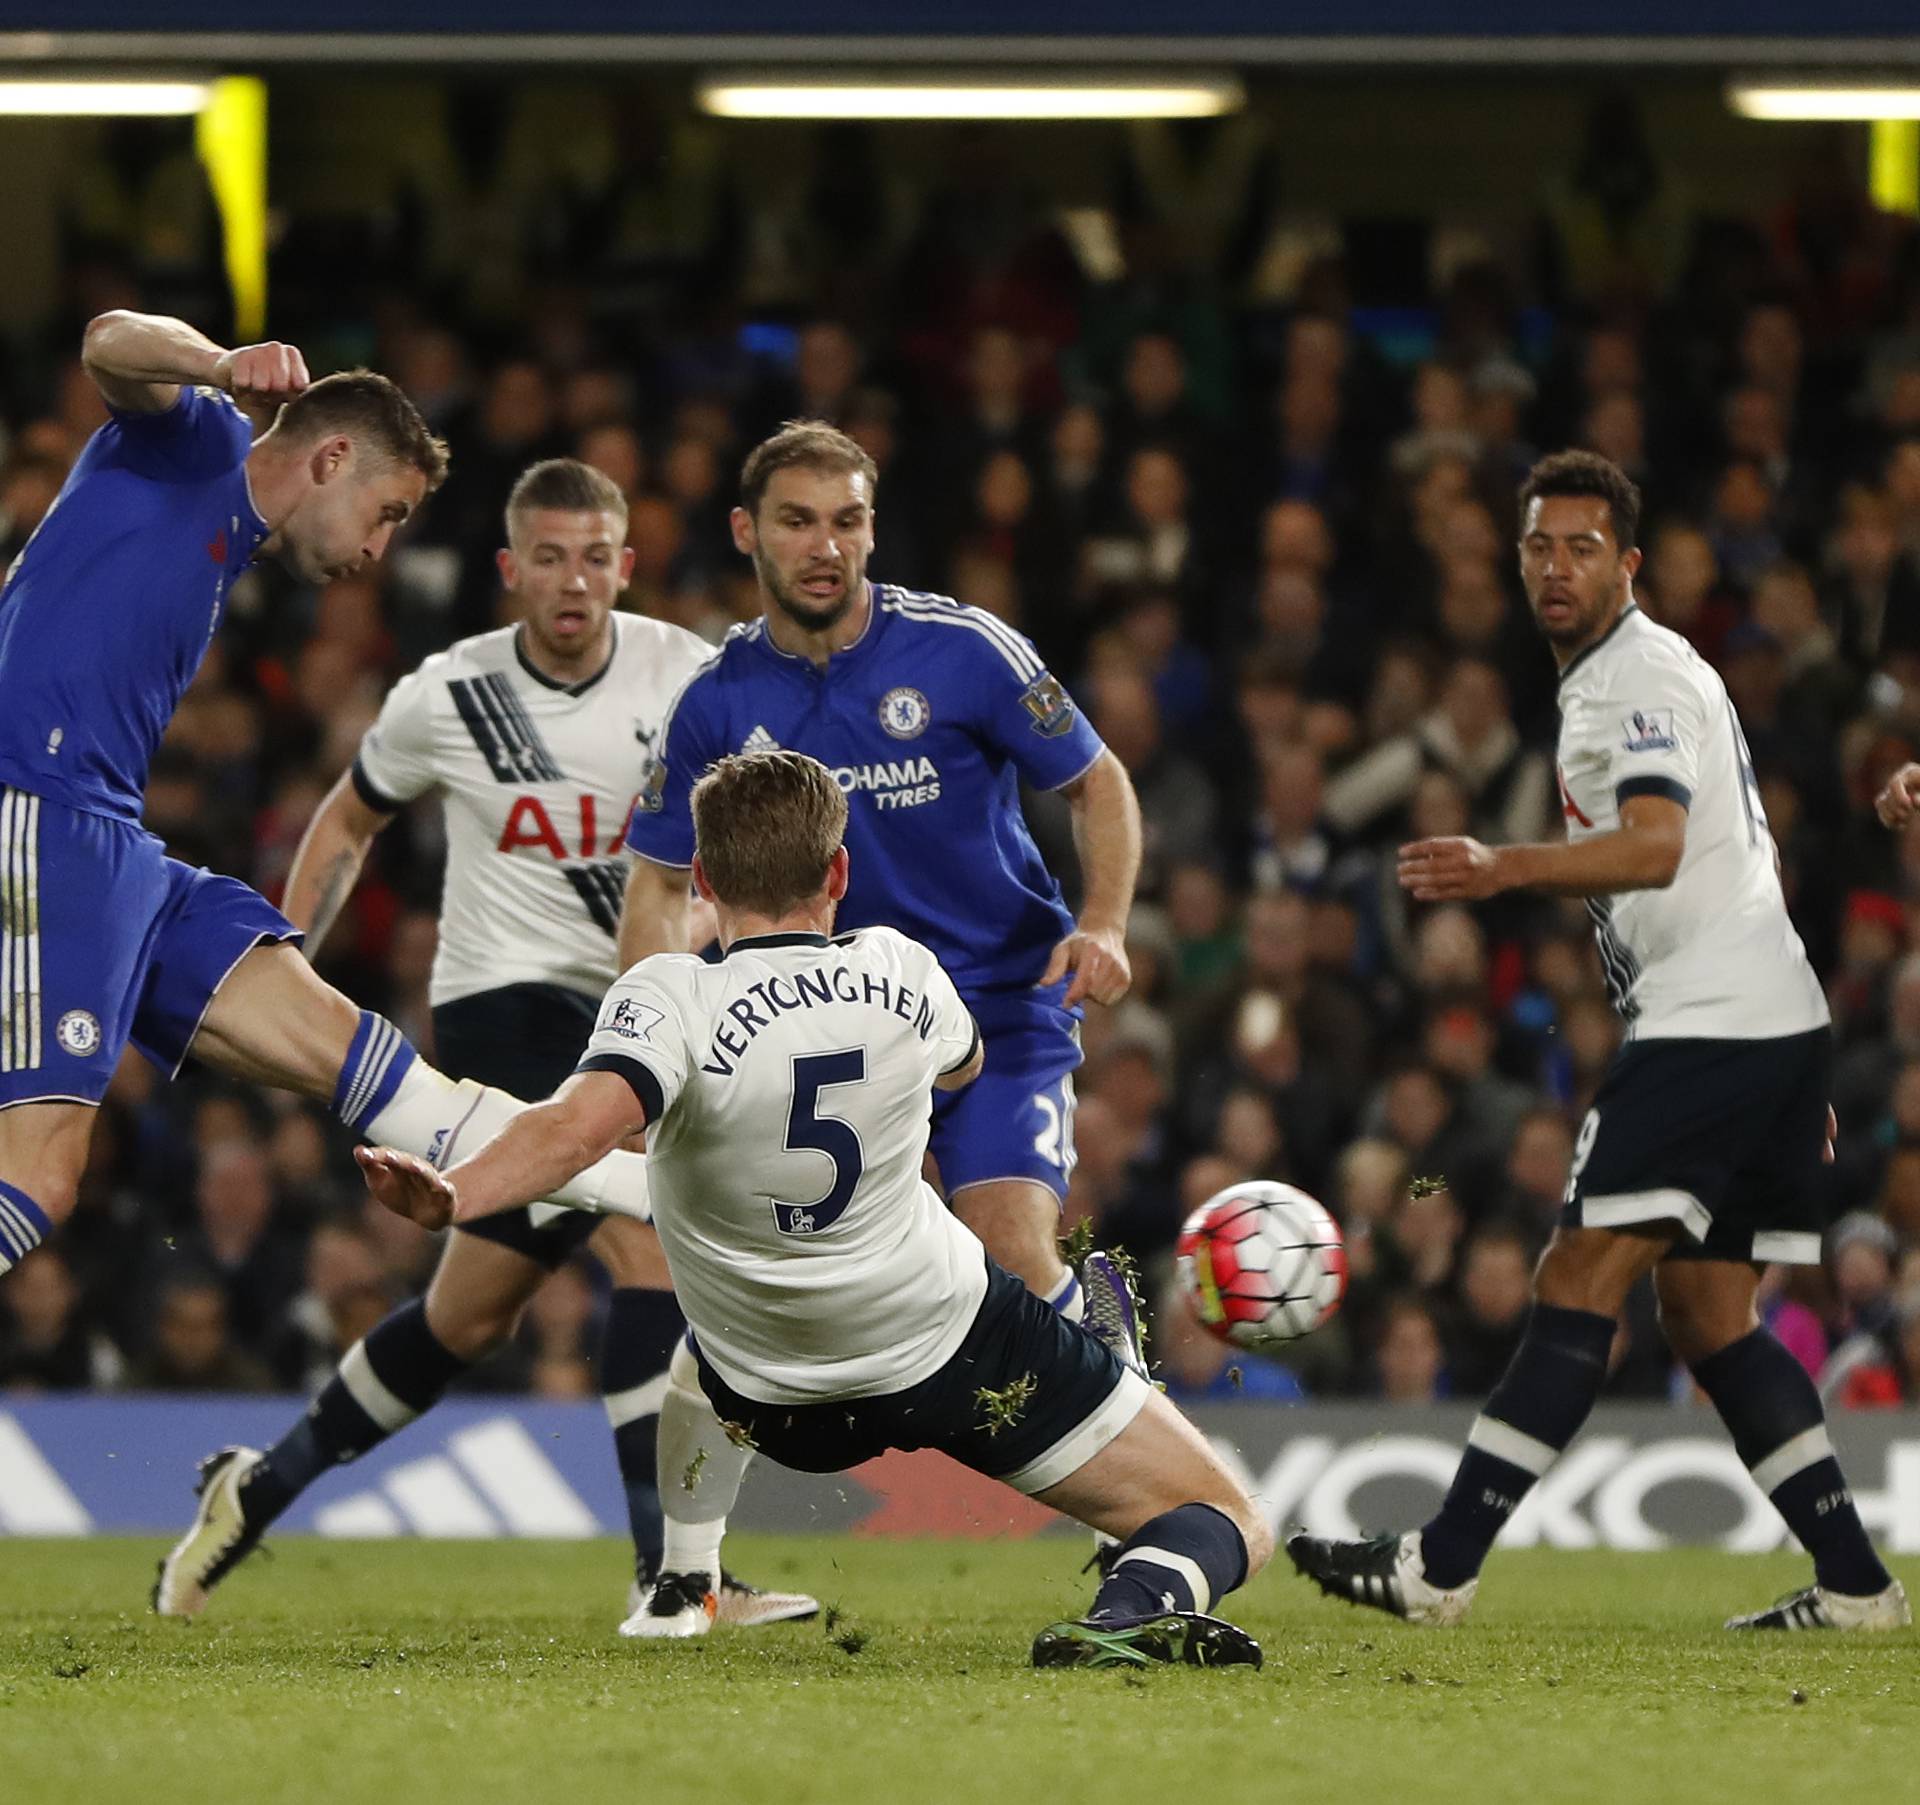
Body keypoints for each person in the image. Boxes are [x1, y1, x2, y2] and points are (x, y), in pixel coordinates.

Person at [359, 750, 1271, 1667]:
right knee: (1226, 1513)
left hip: (768, 1393)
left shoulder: (669, 995)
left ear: (705, 881)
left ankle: (683, 1577)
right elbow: (966, 1068)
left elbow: (573, 1131)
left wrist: (456, 1196)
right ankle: (1129, 1605)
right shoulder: (903, 970)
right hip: (953, 1351)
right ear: (838, 872)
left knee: (693, 1343)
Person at [0, 310, 656, 1525]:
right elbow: (104, 341)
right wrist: (214, 364)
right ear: (331, 458)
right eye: (390, 512)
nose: (381, 546)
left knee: (355, 1054)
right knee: (40, 1171)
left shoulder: (227, 543)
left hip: (113, 842)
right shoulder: (190, 436)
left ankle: (652, 1193)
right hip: (37, 808)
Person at [154, 458, 814, 1630]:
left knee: (467, 1317)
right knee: (650, 1250)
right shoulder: (447, 693)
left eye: (596, 555)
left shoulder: (686, 674)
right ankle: (674, 1575)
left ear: (627, 561)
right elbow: (351, 810)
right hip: (501, 1010)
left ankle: (256, 1487)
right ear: (510, 571)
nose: (574, 581)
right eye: (549, 557)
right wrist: (287, 957)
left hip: (644, 1005)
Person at [1289, 450, 1908, 1633]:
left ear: (1627, 563)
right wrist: (1785, 1063)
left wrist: (1501, 864)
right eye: (1539, 545)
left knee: (1578, 1279)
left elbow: (1657, 842)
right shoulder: (1648, 670)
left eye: (1583, 547)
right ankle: (1858, 1586)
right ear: (1518, 558)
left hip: (1715, 1022)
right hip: (1765, 1017)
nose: (1558, 567)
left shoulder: (1631, 680)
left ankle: (1439, 1564)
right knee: (1710, 1315)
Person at [618, 421, 1146, 1360]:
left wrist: (1103, 923)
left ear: (872, 531)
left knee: (1009, 1250)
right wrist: (660, 1034)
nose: (825, 547)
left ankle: (1120, 1409)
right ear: (746, 532)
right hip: (829, 1025)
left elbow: (1096, 780)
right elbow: (659, 885)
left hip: (999, 998)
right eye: (797, 521)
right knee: (819, 1295)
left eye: (847, 522)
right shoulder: (714, 703)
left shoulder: (966, 652)